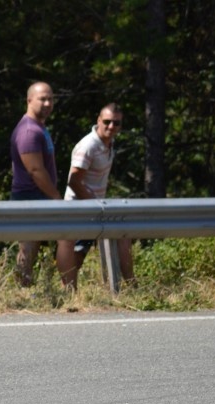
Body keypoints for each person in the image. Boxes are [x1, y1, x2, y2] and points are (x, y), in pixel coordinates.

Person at [55, 104, 134, 289]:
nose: (111, 126)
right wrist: (95, 204)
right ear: (98, 120)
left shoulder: (108, 144)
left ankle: (128, 286)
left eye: (116, 123)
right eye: (107, 122)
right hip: (79, 208)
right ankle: (67, 292)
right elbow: (74, 181)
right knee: (74, 250)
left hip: (94, 208)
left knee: (85, 251)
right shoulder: (88, 145)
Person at [10, 82, 62, 286]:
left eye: (50, 99)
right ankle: (22, 290)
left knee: (31, 248)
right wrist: (56, 197)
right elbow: (35, 170)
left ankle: (25, 287)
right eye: (42, 99)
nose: (47, 103)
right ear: (29, 100)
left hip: (36, 196)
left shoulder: (38, 127)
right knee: (28, 248)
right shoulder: (29, 131)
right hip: (29, 197)